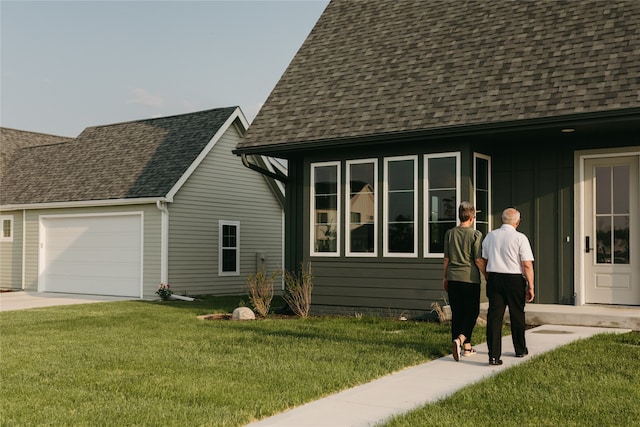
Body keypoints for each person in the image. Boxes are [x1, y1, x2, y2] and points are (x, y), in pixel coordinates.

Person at [481, 207, 535, 366]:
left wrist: (487, 276)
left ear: (501, 220)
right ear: (517, 222)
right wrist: (530, 285)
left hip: (495, 278)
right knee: (517, 314)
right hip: (514, 279)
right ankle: (520, 349)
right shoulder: (520, 238)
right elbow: (526, 265)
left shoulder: (490, 236)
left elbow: (483, 260)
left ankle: (493, 356)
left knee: (494, 316)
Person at [443, 201, 486, 362]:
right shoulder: (476, 235)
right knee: (472, 312)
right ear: (472, 217)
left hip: (453, 277)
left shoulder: (450, 233)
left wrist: (445, 277)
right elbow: (478, 259)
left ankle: (465, 348)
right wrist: (487, 275)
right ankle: (460, 340)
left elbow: (446, 258)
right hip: (469, 279)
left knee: (458, 313)